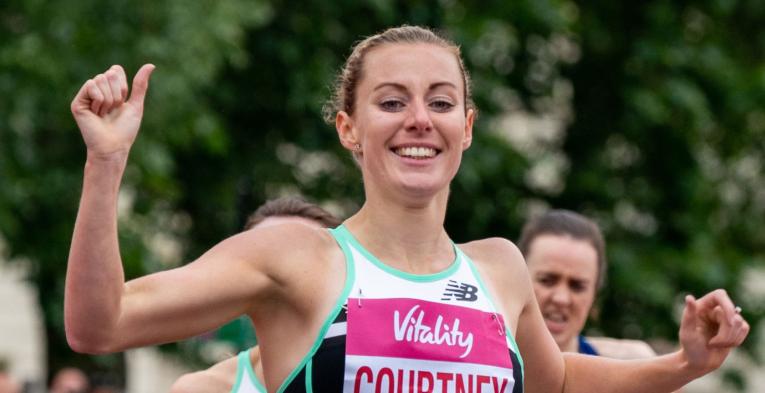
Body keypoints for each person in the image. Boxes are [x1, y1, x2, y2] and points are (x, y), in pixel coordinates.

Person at [65, 25, 749, 392]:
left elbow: (560, 382)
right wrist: (105, 165)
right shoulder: (296, 256)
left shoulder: (500, 268)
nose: (419, 119)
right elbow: (101, 324)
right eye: (391, 101)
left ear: (468, 127)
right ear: (348, 129)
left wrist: (684, 363)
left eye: (441, 102)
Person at [171, 197, 341, 393]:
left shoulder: (371, 373)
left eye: (302, 261)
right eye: (263, 262)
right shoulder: (203, 388)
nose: (281, 279)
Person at [518, 210, 658, 358]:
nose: (561, 298)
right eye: (547, 280)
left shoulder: (629, 367)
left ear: (595, 295)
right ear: (515, 281)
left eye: (577, 286)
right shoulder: (491, 362)